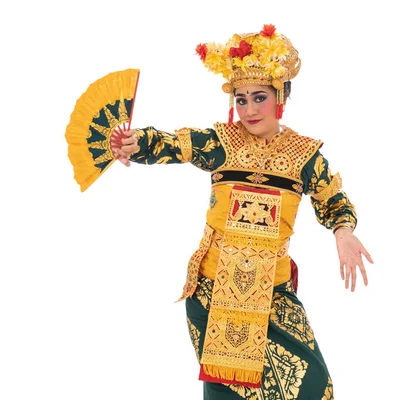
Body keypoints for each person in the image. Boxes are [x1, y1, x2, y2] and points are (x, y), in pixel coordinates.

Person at [112, 24, 373, 399]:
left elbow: (333, 200)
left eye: (259, 97)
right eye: (241, 99)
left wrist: (343, 233)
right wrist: (135, 144)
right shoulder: (221, 143)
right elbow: (171, 144)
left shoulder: (304, 156)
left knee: (313, 387)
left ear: (281, 96)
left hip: (274, 295)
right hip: (215, 292)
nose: (249, 109)